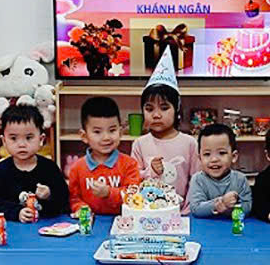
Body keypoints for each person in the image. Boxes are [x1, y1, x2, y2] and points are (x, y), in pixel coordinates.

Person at [130, 50, 199, 210]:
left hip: (181, 213)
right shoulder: (139, 144)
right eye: (149, 109)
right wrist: (151, 171)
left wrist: (187, 209)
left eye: (164, 108)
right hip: (148, 211)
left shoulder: (190, 143)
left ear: (177, 110)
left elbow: (196, 180)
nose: (156, 115)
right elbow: (133, 178)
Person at [0, 104, 69, 221]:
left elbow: (64, 200)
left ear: (41, 139)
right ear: (4, 141)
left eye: (29, 138)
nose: (22, 144)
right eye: (13, 138)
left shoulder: (49, 168)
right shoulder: (0, 170)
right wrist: (17, 212)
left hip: (46, 225)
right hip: (13, 227)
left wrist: (49, 194)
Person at [67, 95, 141, 215]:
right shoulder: (77, 168)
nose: (106, 137)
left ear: (120, 132)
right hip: (90, 223)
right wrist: (81, 208)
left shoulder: (130, 164)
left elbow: (133, 197)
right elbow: (74, 199)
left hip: (123, 221)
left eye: (112, 130)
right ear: (84, 136)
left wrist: (109, 193)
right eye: (97, 132)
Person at [187, 124, 252, 219]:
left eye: (222, 153)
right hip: (205, 226)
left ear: (233, 156)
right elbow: (196, 209)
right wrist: (220, 203)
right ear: (200, 158)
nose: (214, 159)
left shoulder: (240, 179)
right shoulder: (198, 179)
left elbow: (247, 208)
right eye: (207, 154)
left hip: (232, 225)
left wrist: (230, 208)